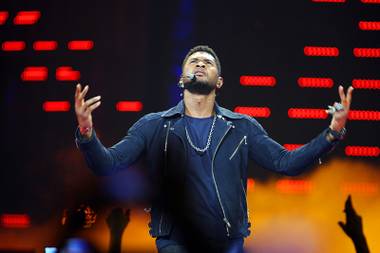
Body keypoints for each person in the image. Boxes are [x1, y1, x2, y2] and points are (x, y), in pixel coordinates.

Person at [74, 45, 353, 253]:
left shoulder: (242, 127)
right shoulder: (154, 126)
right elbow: (107, 164)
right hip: (175, 243)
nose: (199, 64)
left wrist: (332, 132)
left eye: (207, 62)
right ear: (181, 79)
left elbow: (286, 163)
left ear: (219, 81)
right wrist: (87, 132)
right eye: (193, 61)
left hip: (228, 243)